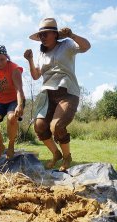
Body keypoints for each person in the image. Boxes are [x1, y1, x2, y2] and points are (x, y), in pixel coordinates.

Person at [24, 18, 91, 171]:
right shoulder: (41, 54)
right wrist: (30, 60)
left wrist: (73, 35)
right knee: (40, 126)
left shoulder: (67, 45)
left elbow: (86, 46)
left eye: (45, 33)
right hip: (48, 94)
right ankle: (56, 154)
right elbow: (36, 76)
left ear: (55, 34)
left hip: (67, 92)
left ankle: (67, 157)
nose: (42, 37)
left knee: (57, 126)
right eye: (40, 34)